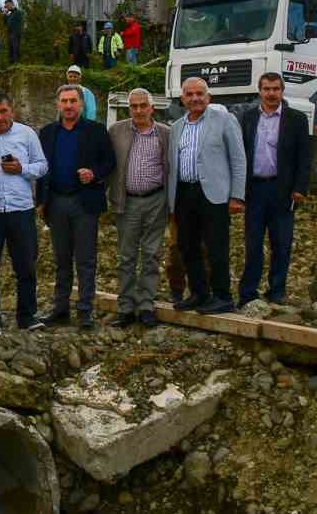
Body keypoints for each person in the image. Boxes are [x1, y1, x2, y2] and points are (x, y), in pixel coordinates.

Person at [0, 90, 48, 335]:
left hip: (21, 209)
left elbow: (43, 166)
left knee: (26, 265)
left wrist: (21, 168)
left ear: (11, 110)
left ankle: (26, 315)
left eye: (3, 111)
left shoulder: (27, 134)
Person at [37, 84, 115, 329]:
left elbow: (110, 162)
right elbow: (41, 168)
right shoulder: (47, 132)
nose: (68, 106)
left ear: (81, 105)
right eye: (64, 101)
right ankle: (60, 309)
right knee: (61, 259)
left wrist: (94, 173)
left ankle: (85, 311)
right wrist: (40, 200)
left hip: (84, 202)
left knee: (85, 260)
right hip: (56, 201)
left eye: (73, 101)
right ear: (58, 104)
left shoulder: (96, 131)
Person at [167, 77, 246, 315]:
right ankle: (199, 293)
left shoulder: (224, 120)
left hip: (214, 194)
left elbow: (238, 158)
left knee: (216, 246)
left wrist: (237, 196)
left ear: (208, 97)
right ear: (183, 99)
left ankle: (222, 296)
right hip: (184, 193)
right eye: (189, 94)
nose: (195, 98)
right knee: (187, 246)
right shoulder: (177, 127)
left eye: (200, 93)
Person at [237, 73, 310, 307]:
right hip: (254, 190)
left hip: (283, 190)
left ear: (282, 90)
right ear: (259, 90)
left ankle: (276, 291)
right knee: (253, 243)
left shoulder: (297, 119)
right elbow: (239, 155)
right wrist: (237, 191)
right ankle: (248, 292)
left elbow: (304, 157)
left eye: (275, 89)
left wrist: (300, 188)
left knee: (281, 243)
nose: (271, 93)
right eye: (266, 89)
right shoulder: (247, 118)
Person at [108, 87, 170, 326]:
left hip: (156, 199)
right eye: (134, 106)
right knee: (126, 256)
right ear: (129, 108)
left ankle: (146, 305)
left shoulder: (165, 133)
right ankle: (125, 306)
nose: (139, 110)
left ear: (152, 108)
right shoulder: (116, 131)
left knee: (152, 254)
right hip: (128, 201)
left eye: (143, 105)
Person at [4, 0, 24, 65]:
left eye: (7, 5)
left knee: (15, 48)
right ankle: (11, 65)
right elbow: (5, 23)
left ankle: (17, 63)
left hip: (16, 33)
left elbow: (20, 23)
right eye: (6, 6)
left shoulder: (18, 12)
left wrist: (17, 32)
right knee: (10, 49)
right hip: (10, 34)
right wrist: (5, 14)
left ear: (12, 4)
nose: (7, 7)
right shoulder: (9, 15)